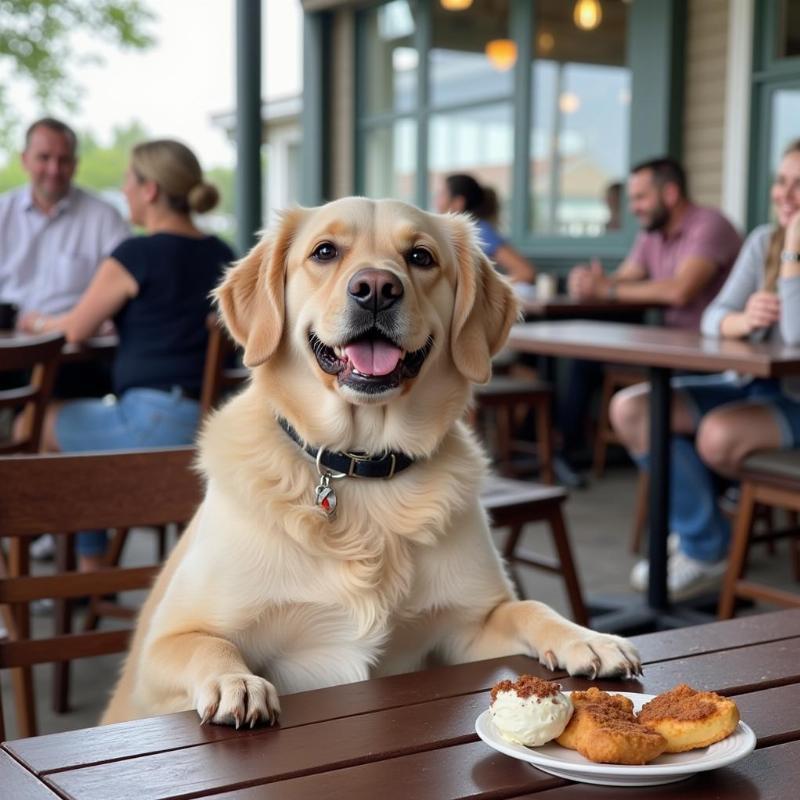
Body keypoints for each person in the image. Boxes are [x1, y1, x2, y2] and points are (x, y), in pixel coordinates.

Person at [19, 139, 236, 573]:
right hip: (210, 426)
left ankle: (83, 571)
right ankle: (92, 572)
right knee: (83, 458)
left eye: (128, 183)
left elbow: (75, 328)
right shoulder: (222, 254)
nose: (125, 192)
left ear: (150, 190)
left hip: (154, 424)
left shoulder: (136, 255)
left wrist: (35, 321)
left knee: (33, 423)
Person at [609, 138, 800, 601]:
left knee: (717, 434)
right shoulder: (761, 241)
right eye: (781, 181)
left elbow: (795, 338)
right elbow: (715, 316)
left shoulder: (783, 245)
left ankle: (702, 540)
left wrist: (794, 253)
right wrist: (743, 318)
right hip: (746, 384)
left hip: (793, 398)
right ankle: (704, 540)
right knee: (633, 410)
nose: (785, 195)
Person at [557, 158, 743, 481]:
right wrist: (593, 284)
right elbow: (624, 279)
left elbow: (680, 291)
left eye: (641, 197)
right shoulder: (652, 235)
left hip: (717, 351)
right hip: (672, 345)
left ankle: (708, 483)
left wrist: (609, 289)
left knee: (649, 398)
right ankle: (567, 453)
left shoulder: (709, 225)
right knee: (584, 357)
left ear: (670, 193)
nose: (633, 208)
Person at [435, 174, 536, 284]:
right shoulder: (449, 233)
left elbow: (526, 272)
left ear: (458, 202)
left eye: (442, 194)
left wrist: (492, 292)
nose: (436, 201)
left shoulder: (479, 232)